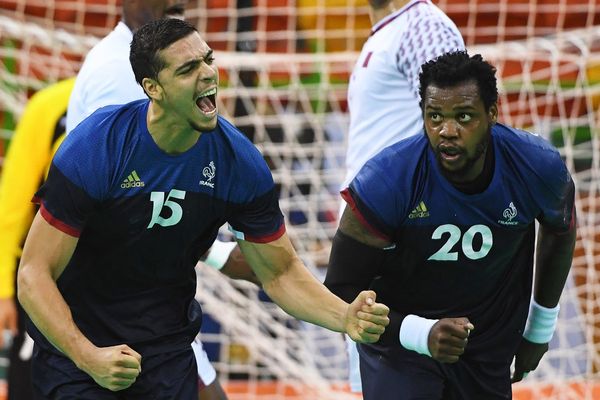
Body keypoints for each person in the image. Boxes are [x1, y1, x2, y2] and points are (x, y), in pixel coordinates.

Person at [17, 18, 390, 399]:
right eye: (188, 69)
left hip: (166, 352)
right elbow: (34, 273)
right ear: (153, 88)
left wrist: (344, 316)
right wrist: (87, 355)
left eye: (207, 60)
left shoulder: (237, 163)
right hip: (79, 351)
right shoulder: (97, 148)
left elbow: (280, 273)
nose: (208, 74)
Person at [325, 51, 576, 399]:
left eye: (464, 117)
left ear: (492, 114)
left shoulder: (536, 167)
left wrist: (539, 328)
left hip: (486, 344)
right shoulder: (386, 182)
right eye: (435, 116)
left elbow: (560, 231)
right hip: (401, 347)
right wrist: (419, 333)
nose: (447, 130)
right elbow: (339, 292)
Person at [66, 1, 256, 397]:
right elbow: (128, 196)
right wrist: (221, 256)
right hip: (118, 302)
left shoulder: (122, 59)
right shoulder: (117, 72)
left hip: (146, 294)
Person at [340, 0, 464, 391]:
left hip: (409, 233)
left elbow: (456, 120)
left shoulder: (421, 25)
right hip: (378, 231)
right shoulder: (389, 31)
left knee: (408, 376)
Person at [0, 78, 74, 400]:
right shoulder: (50, 105)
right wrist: (3, 289)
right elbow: (12, 206)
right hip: (44, 275)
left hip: (116, 284)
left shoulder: (157, 106)